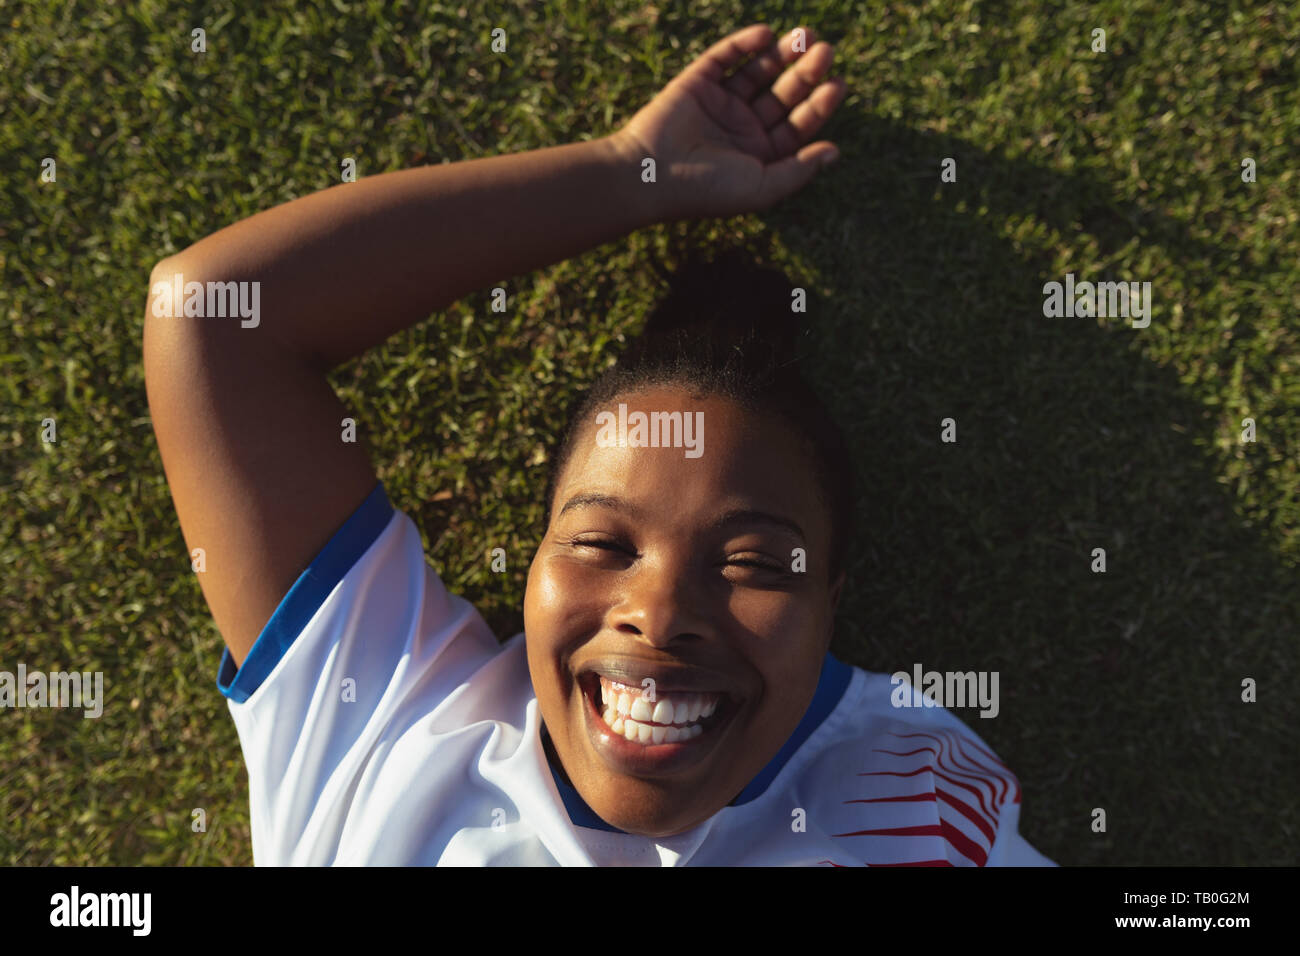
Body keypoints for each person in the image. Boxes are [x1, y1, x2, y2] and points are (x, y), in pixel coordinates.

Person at [143, 22, 1053, 865]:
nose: (658, 615)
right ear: (534, 561)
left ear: (829, 604)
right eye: (602, 543)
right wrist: (628, 170)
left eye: (754, 563)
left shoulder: (898, 802)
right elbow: (212, 314)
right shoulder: (388, 722)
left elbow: (214, 322)